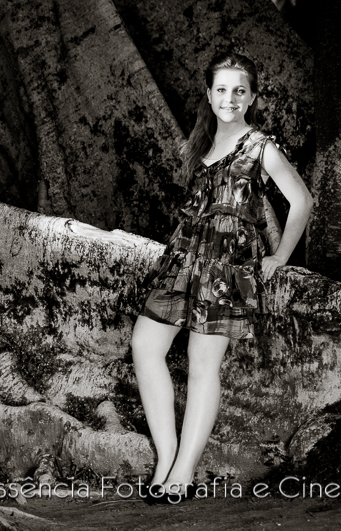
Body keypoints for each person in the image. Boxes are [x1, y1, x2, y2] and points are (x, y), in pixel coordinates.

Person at [131, 51, 313, 504]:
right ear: (209, 95)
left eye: (239, 91)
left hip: (227, 264)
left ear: (251, 98)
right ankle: (166, 456)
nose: (230, 98)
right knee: (145, 345)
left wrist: (280, 256)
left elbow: (302, 201)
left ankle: (183, 474)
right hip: (186, 257)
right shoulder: (204, 145)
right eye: (222, 90)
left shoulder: (260, 146)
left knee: (202, 363)